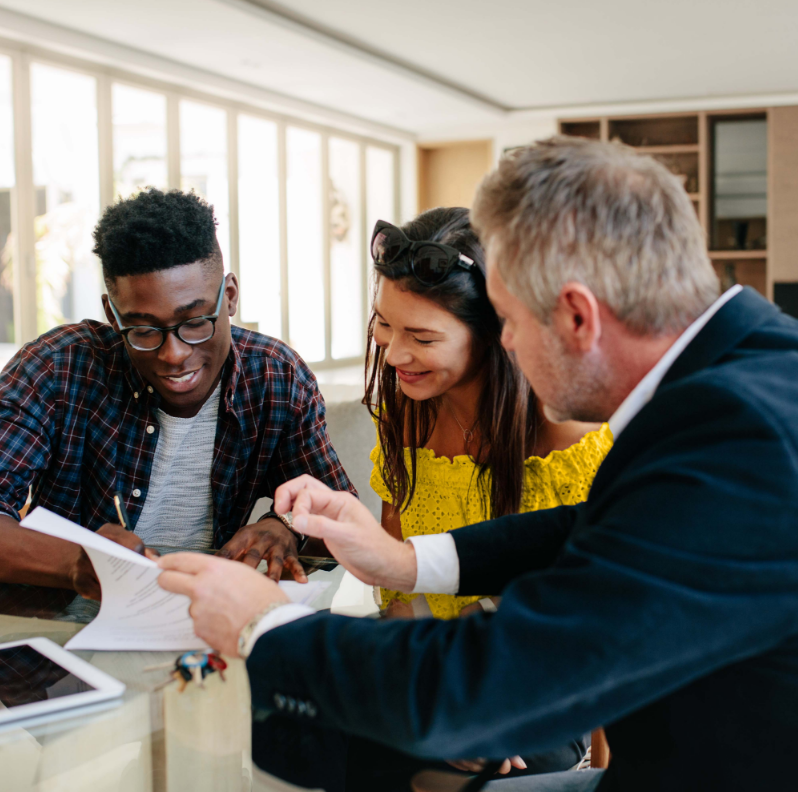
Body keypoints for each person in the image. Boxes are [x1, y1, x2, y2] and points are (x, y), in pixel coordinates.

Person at [159, 138, 798, 791]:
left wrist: (262, 625)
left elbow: (492, 685)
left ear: (577, 316)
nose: (508, 347)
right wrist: (406, 562)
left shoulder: (741, 440)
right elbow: (596, 527)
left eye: (511, 322)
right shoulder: (753, 371)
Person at [0, 188, 353, 602]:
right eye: (144, 330)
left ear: (231, 297)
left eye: (195, 321)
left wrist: (285, 526)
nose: (174, 354)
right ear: (112, 315)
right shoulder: (59, 366)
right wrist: (78, 562)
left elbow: (338, 515)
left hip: (209, 624)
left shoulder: (276, 377)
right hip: (67, 625)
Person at [367, 208, 612, 624]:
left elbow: (593, 595)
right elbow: (399, 592)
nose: (393, 355)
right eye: (385, 323)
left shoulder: (566, 429)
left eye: (423, 337)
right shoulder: (407, 413)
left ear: (495, 334)